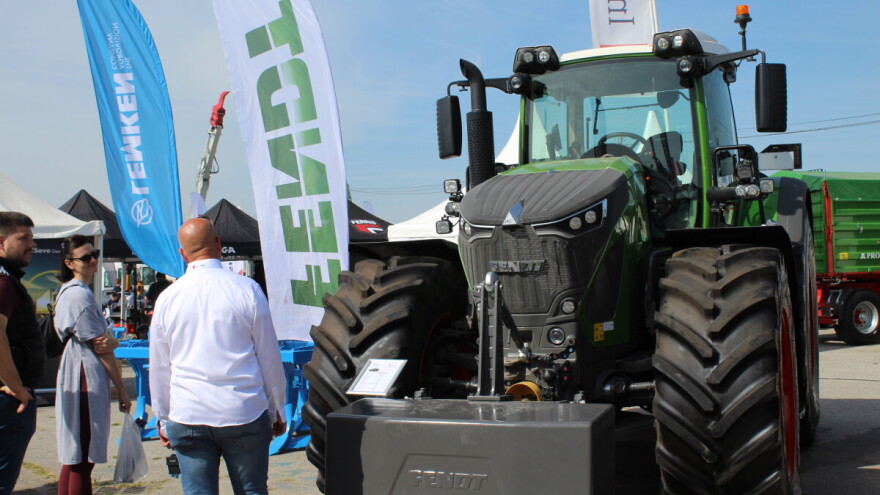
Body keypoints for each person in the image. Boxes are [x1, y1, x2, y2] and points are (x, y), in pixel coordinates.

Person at [149, 218, 286, 495]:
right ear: (218, 244)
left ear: (182, 253)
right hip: (243, 409)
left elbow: (160, 366)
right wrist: (277, 408)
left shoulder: (168, 298)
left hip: (189, 412)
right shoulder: (247, 289)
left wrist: (162, 418)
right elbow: (269, 356)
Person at [54, 235, 131, 495]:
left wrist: (112, 342)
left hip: (78, 367)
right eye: (85, 257)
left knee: (75, 455)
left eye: (94, 254)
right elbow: (102, 347)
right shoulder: (79, 295)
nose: (92, 260)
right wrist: (122, 390)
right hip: (84, 372)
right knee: (82, 455)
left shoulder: (73, 292)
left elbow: (104, 342)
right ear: (69, 263)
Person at [0, 212, 41, 495]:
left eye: (32, 238)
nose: (32, 244)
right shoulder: (4, 282)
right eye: (24, 238)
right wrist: (16, 387)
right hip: (9, 400)